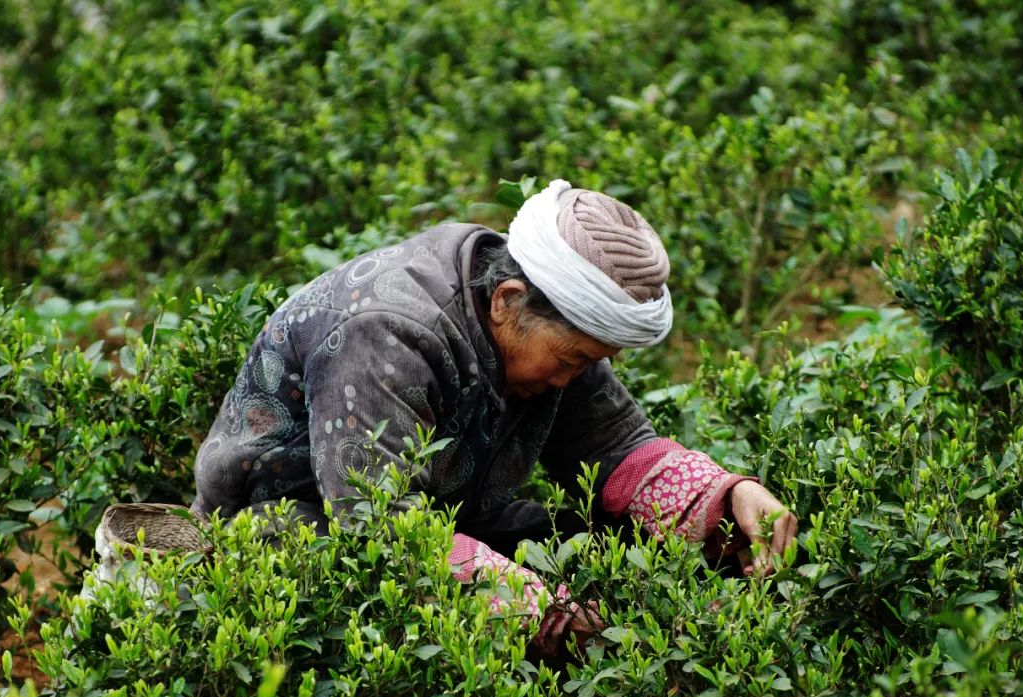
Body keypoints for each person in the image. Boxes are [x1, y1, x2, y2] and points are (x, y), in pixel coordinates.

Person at [191, 179, 798, 654]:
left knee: (608, 547)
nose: (570, 379)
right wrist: (544, 611)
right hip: (287, 525)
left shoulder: (534, 303)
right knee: (551, 608)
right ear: (508, 302)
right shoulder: (386, 335)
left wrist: (731, 496)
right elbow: (378, 528)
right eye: (571, 359)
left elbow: (614, 443)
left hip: (454, 518)